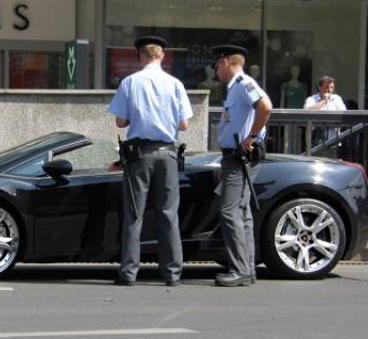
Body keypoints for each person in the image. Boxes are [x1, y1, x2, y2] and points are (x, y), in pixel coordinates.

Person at [108, 35, 193, 287]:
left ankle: (129, 273)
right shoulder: (175, 84)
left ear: (140, 56)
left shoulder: (130, 82)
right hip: (167, 153)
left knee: (134, 214)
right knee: (168, 213)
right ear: (162, 55)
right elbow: (184, 124)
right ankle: (172, 274)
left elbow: (120, 122)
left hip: (139, 155)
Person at [212, 45, 272, 287]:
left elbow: (265, 106)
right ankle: (246, 269)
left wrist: (252, 136)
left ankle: (239, 270)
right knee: (242, 212)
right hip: (234, 157)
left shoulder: (244, 83)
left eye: (217, 65)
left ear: (226, 62)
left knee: (229, 210)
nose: (216, 71)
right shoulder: (234, 88)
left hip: (240, 157)